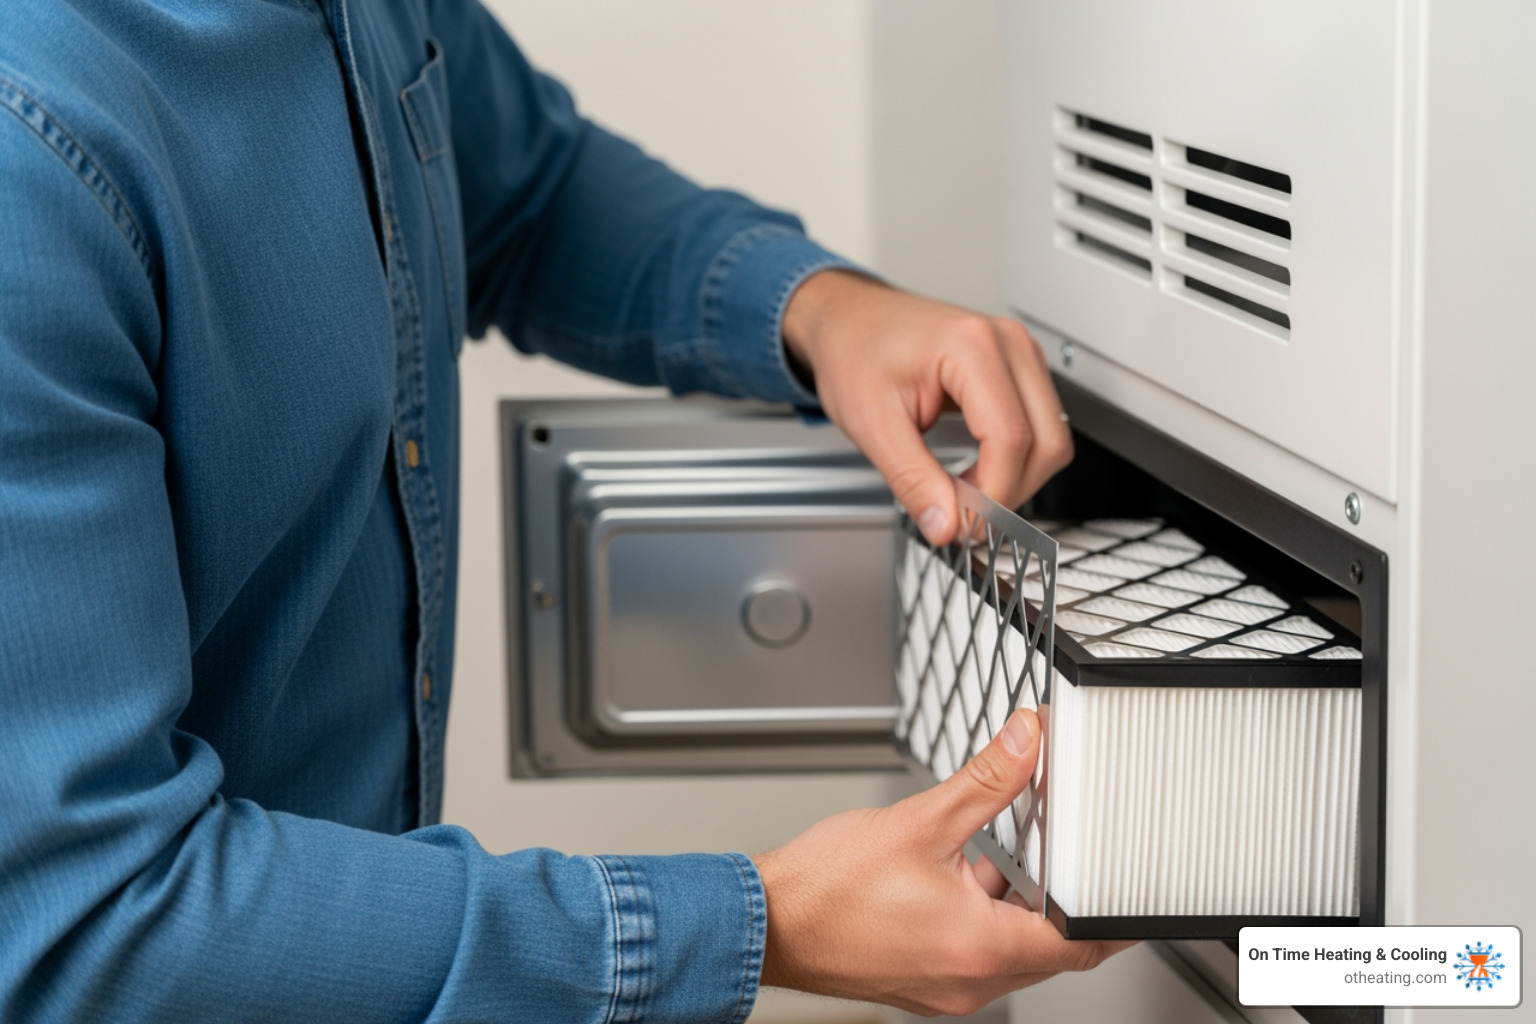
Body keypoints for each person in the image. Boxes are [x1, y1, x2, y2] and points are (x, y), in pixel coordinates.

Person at [0, 1, 1120, 1020]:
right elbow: (94, 921)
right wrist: (763, 919)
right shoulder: (32, 152)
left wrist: (814, 309)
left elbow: (528, 195)